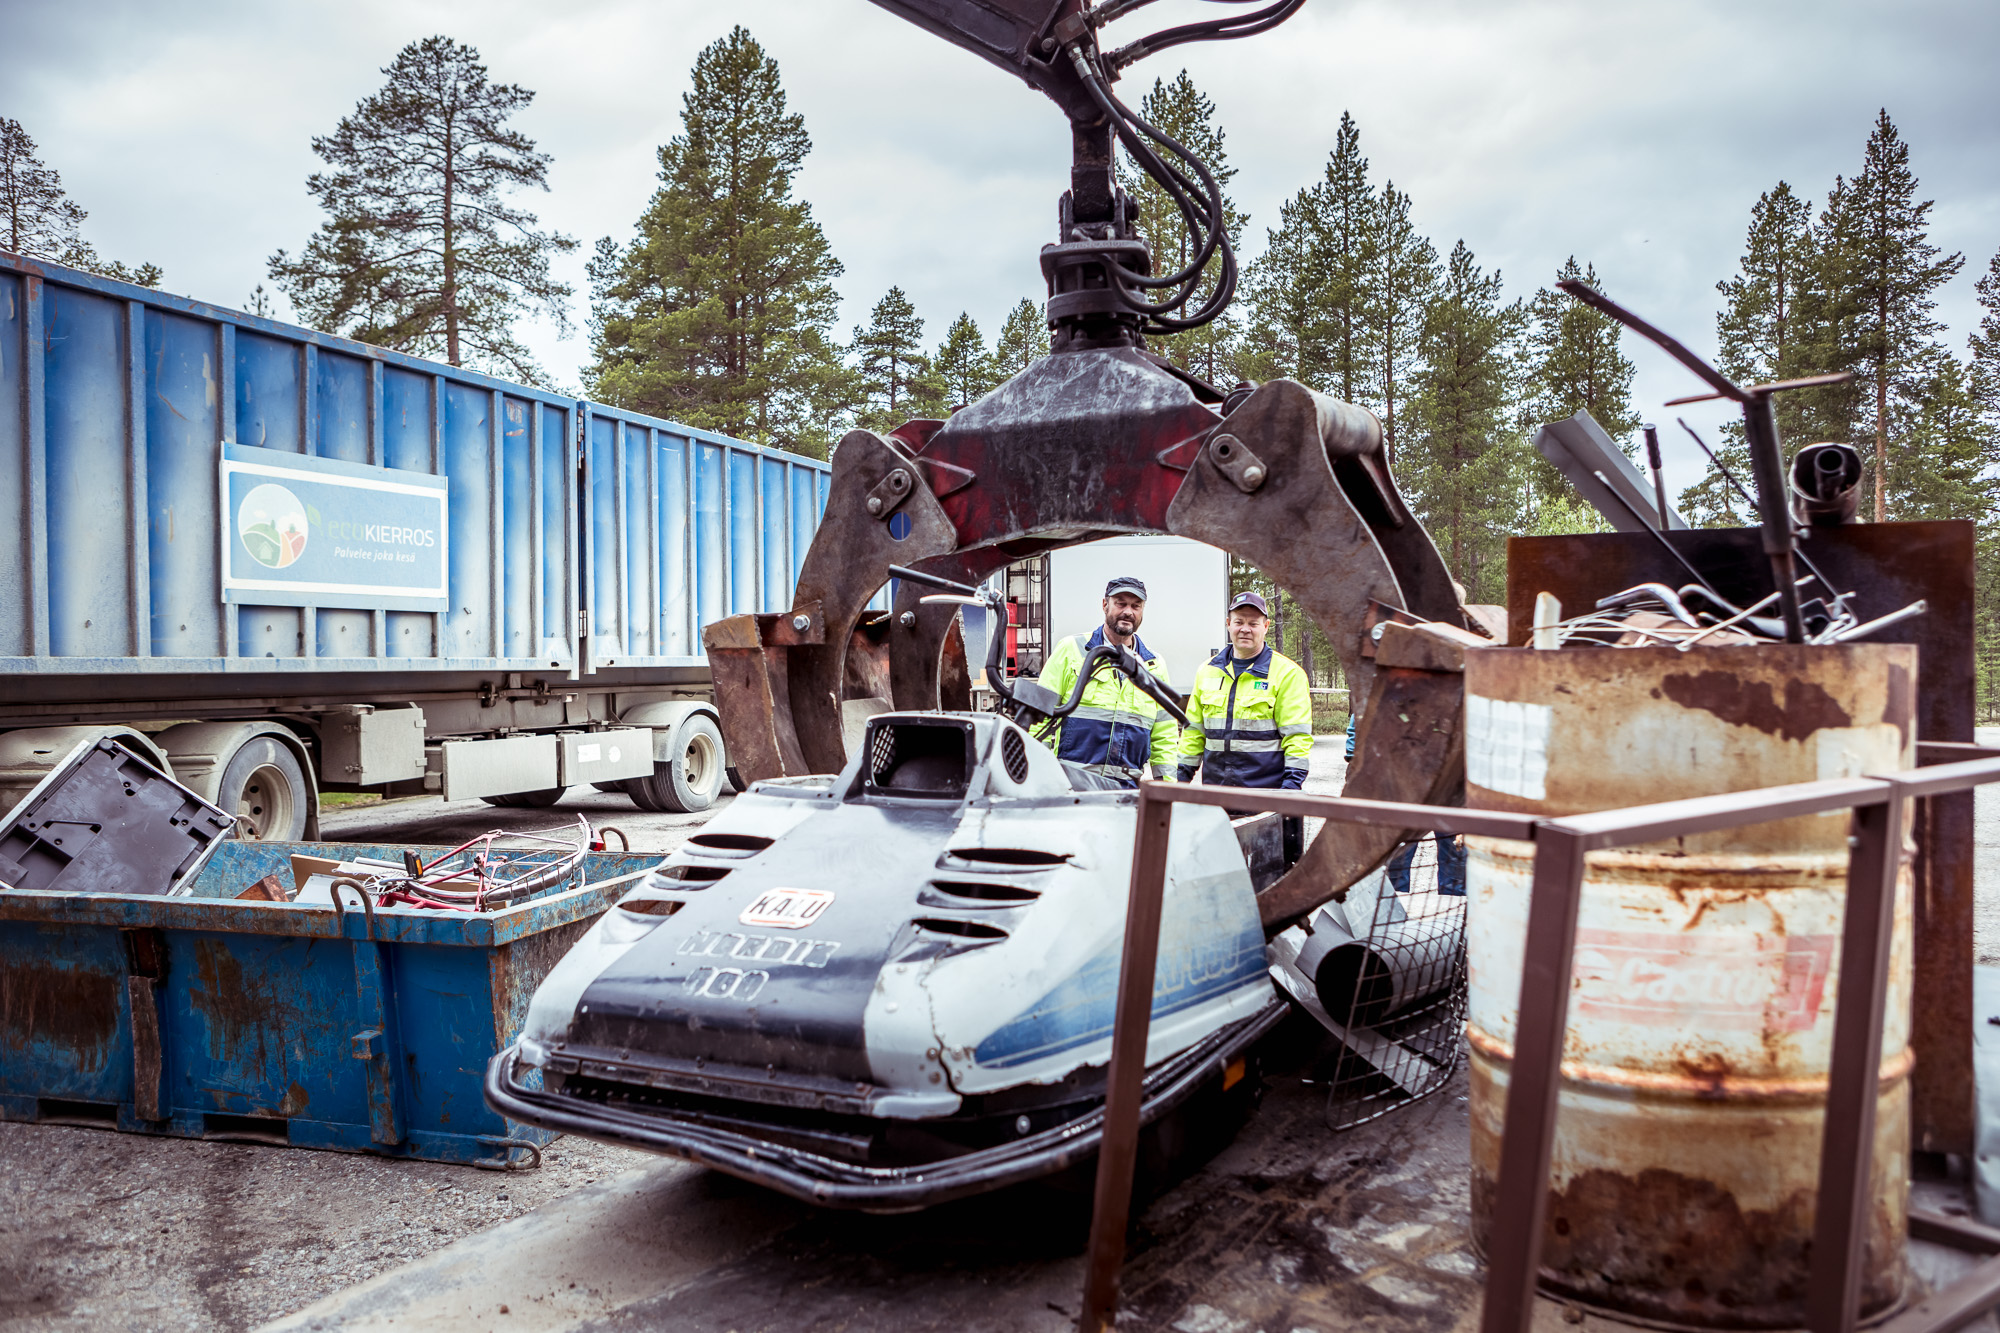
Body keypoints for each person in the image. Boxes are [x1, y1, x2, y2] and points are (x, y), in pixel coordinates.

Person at [1031, 576, 1180, 788]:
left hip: (1126, 789)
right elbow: (1039, 716)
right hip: (1071, 785)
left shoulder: (1154, 665)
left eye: (1136, 606)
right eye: (1121, 603)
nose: (1128, 611)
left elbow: (1164, 735)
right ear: (1105, 605)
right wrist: (1039, 775)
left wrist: (1166, 787)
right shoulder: (1071, 649)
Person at [1177, 590, 1314, 797]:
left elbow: (1297, 738)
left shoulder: (1288, 674)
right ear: (1228, 624)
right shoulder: (1207, 671)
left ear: (1266, 627)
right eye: (1239, 622)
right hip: (1216, 794)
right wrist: (1180, 781)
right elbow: (1194, 732)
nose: (1245, 630)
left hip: (1266, 796)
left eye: (1253, 623)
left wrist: (1290, 790)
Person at [1346, 711, 1466, 896]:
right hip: (1402, 784)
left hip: (1450, 785)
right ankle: (1392, 912)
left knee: (1455, 857)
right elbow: (1365, 713)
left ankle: (1454, 910)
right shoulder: (1397, 686)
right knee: (1395, 860)